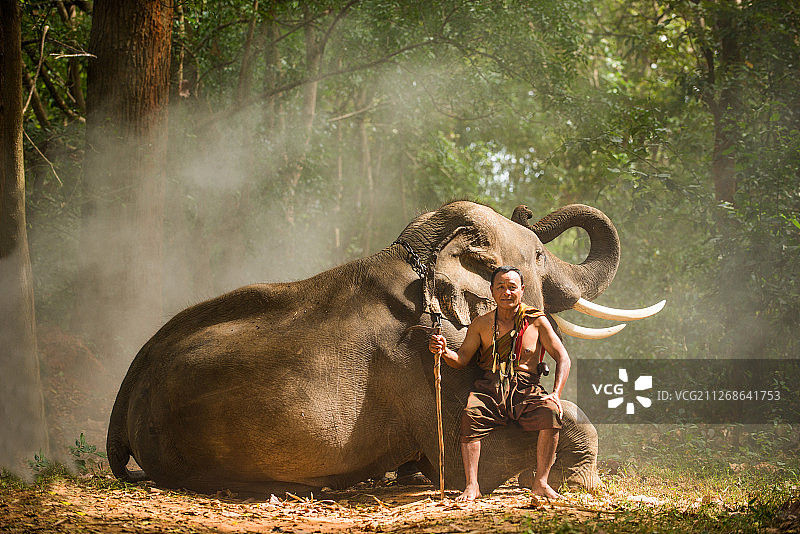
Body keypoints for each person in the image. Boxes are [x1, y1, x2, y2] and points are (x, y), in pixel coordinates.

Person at [428, 266, 571, 502]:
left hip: (527, 387)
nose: (507, 292)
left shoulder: (537, 322)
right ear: (492, 291)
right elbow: (461, 360)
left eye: (512, 287)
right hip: (490, 387)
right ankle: (472, 485)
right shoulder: (481, 324)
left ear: (522, 290)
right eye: (501, 287)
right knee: (471, 415)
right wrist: (443, 351)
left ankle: (541, 482)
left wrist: (556, 393)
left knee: (551, 412)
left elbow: (563, 357)